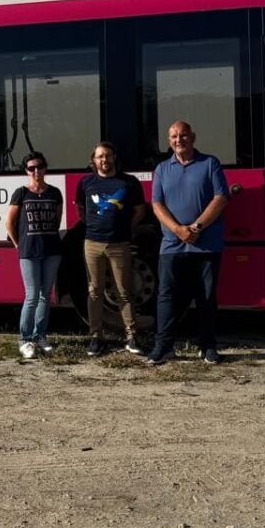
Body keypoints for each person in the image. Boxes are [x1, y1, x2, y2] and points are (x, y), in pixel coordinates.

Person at [148, 120, 229, 364]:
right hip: (172, 244)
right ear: (168, 141)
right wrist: (177, 230)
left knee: (206, 296)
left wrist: (196, 227)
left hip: (206, 243)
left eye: (183, 135)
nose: (178, 140)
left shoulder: (210, 163)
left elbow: (221, 197)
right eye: (174, 136)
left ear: (192, 137)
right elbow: (156, 204)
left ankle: (207, 346)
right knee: (166, 296)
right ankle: (163, 347)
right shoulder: (162, 169)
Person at [74, 141, 146, 356]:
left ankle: (131, 337)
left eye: (108, 155)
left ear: (114, 158)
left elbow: (140, 211)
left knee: (124, 291)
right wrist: (94, 228)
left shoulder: (129, 183)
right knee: (94, 291)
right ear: (93, 160)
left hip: (120, 245)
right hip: (92, 245)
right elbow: (81, 211)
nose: (104, 159)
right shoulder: (85, 183)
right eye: (100, 156)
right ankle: (96, 337)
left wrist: (124, 229)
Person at [6, 150, 63, 358]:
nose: (36, 171)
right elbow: (9, 222)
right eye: (31, 168)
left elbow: (56, 221)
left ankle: (40, 336)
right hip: (29, 252)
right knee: (31, 296)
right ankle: (25, 339)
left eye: (39, 167)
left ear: (45, 168)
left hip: (51, 250)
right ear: (26, 171)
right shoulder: (21, 193)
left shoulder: (55, 193)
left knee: (45, 296)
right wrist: (18, 245)